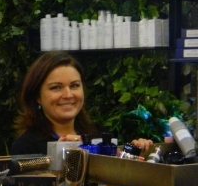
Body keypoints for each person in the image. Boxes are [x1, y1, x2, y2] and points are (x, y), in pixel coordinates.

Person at [10, 51, 153, 155]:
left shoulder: (99, 135)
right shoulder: (26, 147)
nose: (68, 95)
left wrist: (136, 152)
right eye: (56, 87)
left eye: (74, 85)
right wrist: (58, 155)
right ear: (37, 96)